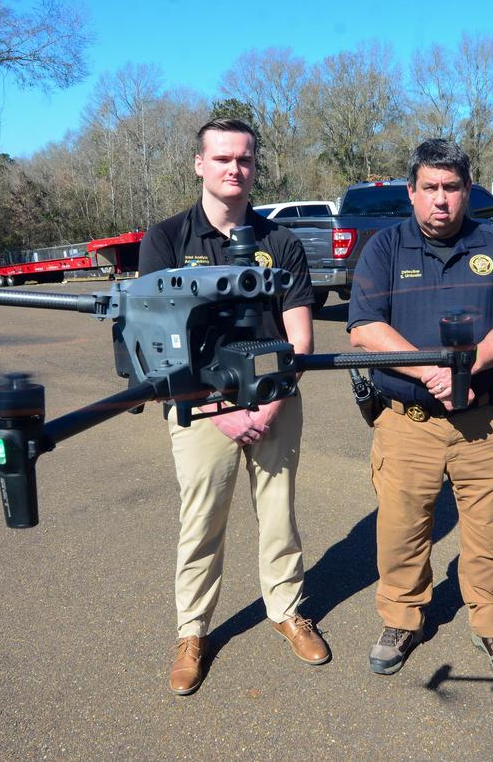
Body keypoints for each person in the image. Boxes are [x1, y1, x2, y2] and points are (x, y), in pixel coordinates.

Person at [138, 118, 329, 696]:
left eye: (244, 159)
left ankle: (287, 610)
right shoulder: (166, 240)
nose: (234, 168)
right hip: (201, 405)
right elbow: (155, 339)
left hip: (275, 401)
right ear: (199, 164)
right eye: (222, 158)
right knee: (202, 520)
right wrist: (220, 411)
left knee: (279, 514)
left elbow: (300, 334)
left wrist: (271, 401)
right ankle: (192, 631)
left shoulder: (281, 242)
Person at [347, 139, 493, 680]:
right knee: (402, 530)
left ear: (467, 191)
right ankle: (401, 619)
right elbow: (364, 328)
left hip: (483, 423)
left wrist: (466, 367)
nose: (440, 199)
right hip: (409, 423)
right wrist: (430, 370)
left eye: (451, 188)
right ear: (411, 192)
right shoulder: (385, 248)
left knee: (491, 532)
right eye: (429, 187)